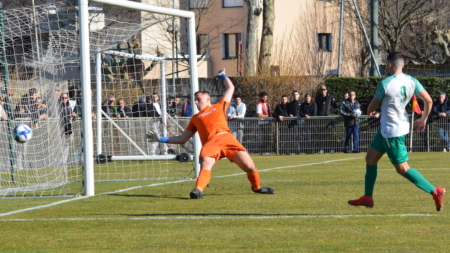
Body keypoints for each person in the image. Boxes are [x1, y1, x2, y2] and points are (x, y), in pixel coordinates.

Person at [147, 69, 275, 199]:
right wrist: (162, 139)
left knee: (250, 167)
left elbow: (230, 87)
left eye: (198, 99)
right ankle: (197, 190)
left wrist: (223, 76)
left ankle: (257, 187)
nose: (196, 102)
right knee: (206, 163)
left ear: (208, 99)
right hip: (211, 143)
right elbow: (182, 138)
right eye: (195, 100)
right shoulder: (195, 118)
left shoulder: (219, 106)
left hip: (227, 139)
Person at [348, 52, 445, 211]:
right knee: (370, 159)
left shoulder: (385, 83)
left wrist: (370, 110)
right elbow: (428, 100)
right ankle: (367, 197)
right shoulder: (412, 81)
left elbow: (371, 107)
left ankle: (435, 191)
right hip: (392, 129)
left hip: (391, 131)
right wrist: (424, 119)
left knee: (403, 169)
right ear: (403, 65)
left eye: (387, 65)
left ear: (390, 65)